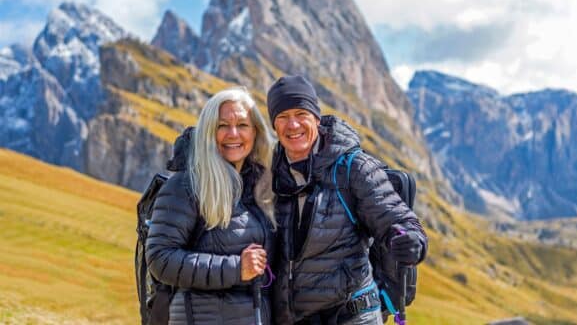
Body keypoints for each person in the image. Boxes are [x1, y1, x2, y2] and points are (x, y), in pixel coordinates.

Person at [267, 75, 428, 324]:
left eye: (301, 113)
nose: (293, 125)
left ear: (316, 118)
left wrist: (412, 241)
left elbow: (398, 218)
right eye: (283, 117)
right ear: (274, 126)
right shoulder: (268, 173)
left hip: (352, 316)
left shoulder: (354, 167)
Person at [145, 88, 276, 325]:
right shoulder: (186, 185)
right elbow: (160, 258)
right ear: (208, 132)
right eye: (222, 125)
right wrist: (236, 268)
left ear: (255, 132)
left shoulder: (260, 188)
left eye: (243, 125)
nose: (232, 134)